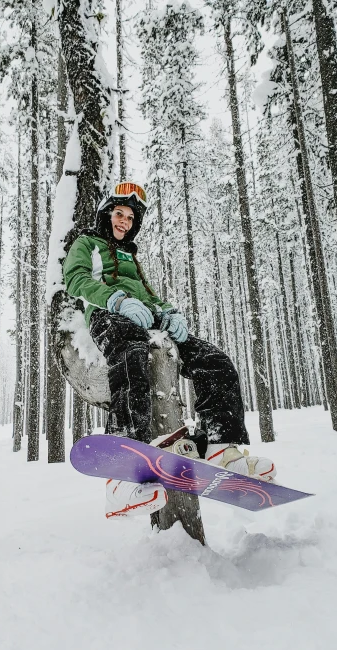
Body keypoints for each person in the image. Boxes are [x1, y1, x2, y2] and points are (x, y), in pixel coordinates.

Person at [63, 181, 275, 518]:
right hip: (107, 315)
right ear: (107, 213)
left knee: (214, 361)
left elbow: (148, 296)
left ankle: (220, 447)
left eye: (130, 218)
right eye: (119, 214)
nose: (124, 222)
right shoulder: (87, 243)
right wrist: (116, 299)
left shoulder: (130, 256)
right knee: (132, 355)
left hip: (146, 321)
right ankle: (122, 472)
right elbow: (76, 279)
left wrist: (169, 312)